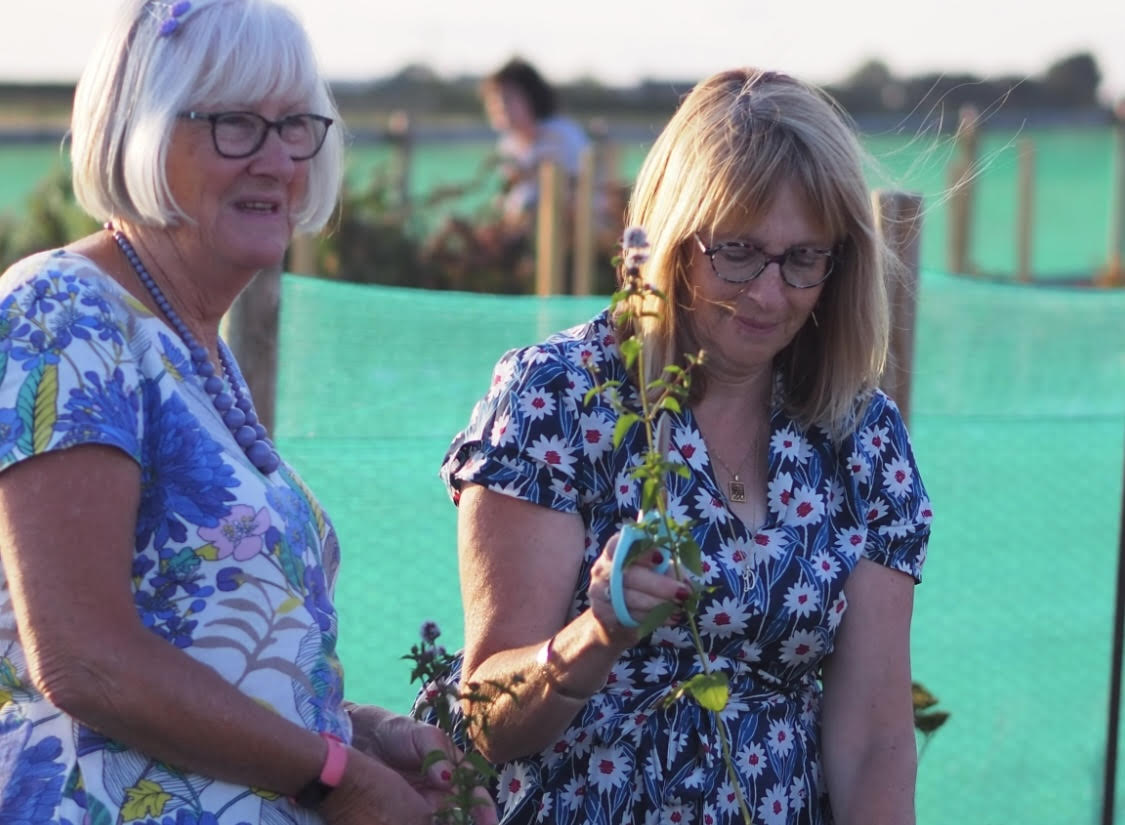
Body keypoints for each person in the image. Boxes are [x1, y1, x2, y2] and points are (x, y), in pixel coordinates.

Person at [0, 2, 496, 824]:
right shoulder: (62, 313)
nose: (277, 160)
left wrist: (367, 737)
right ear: (140, 130)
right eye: (235, 125)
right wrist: (337, 776)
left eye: (295, 125)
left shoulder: (197, 343)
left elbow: (213, 657)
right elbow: (87, 659)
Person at [419, 68, 933, 824]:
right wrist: (597, 634)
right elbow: (488, 717)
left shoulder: (859, 435)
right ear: (673, 243)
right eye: (737, 250)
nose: (767, 292)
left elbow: (874, 737)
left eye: (802, 259)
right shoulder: (560, 398)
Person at [421, 58, 591, 288]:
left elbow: (578, 194)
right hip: (520, 241)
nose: (498, 107)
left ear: (532, 97)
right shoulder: (509, 146)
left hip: (566, 242)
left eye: (507, 99)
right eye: (493, 100)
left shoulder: (562, 137)